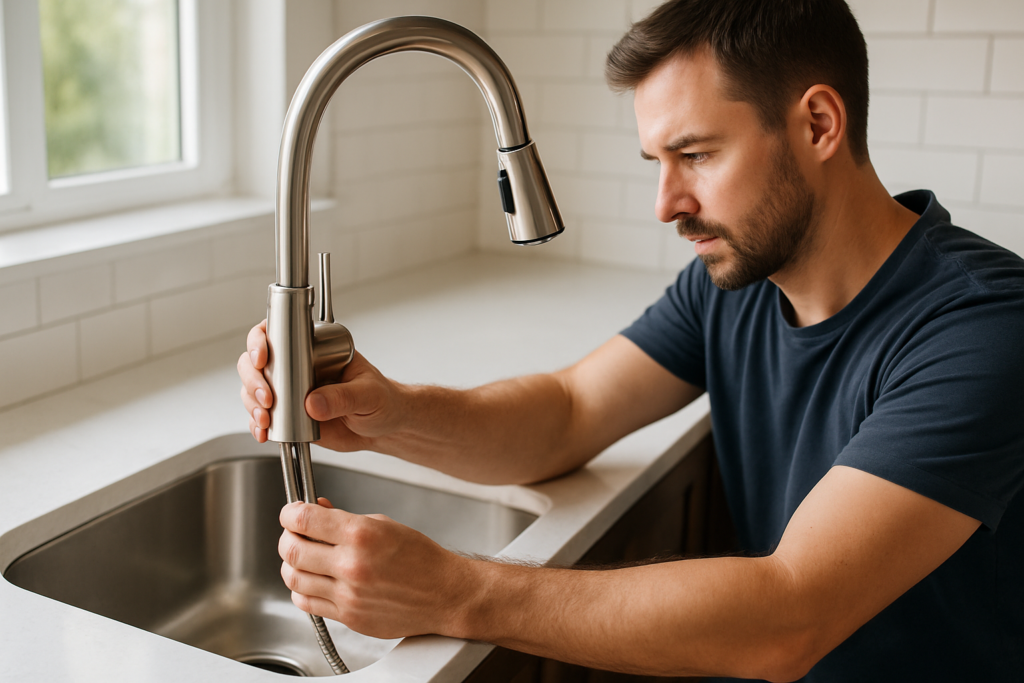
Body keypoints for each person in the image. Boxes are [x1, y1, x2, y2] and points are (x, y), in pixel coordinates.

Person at [237, 0, 1024, 680]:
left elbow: (790, 614)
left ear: (818, 123)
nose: (666, 202)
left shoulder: (985, 326)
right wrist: (384, 412)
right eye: (656, 161)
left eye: (697, 154)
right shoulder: (737, 282)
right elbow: (571, 411)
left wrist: (455, 591)